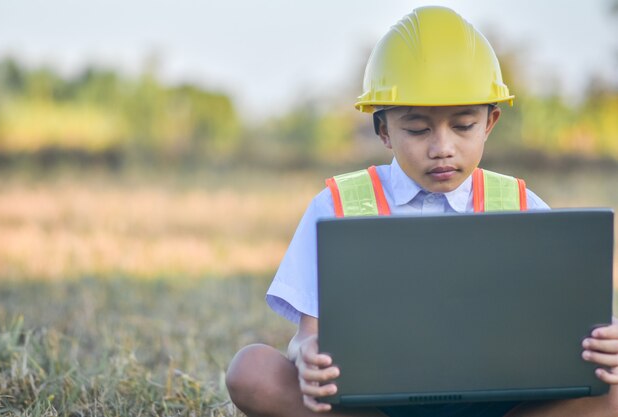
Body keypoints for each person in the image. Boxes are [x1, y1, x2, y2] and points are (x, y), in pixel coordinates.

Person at [225, 6, 618, 417]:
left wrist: (606, 336)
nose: (442, 147)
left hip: (501, 402)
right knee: (251, 370)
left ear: (490, 122)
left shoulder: (521, 204)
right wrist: (307, 354)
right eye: (417, 129)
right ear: (384, 131)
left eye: (463, 125)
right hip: (373, 405)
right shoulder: (337, 206)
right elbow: (308, 335)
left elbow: (573, 320)